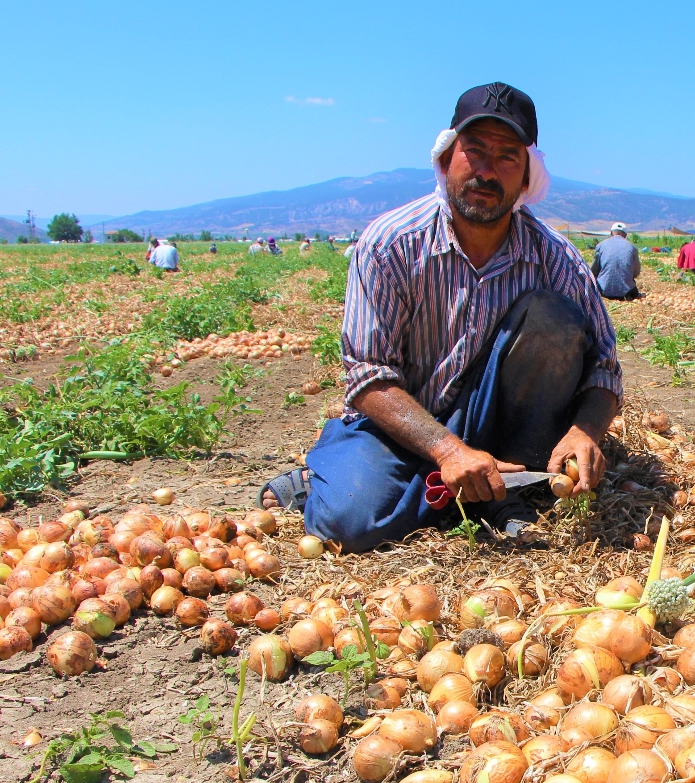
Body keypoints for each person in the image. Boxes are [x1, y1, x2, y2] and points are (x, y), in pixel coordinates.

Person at [259, 82, 621, 552]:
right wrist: (448, 449)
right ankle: (341, 481)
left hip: (505, 429)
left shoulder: (555, 258)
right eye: (474, 151)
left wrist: (585, 431)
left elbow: (605, 369)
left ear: (527, 174)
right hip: (405, 427)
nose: (487, 172)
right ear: (448, 156)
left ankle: (496, 482)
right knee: (351, 520)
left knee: (553, 317)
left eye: (507, 157)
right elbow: (369, 376)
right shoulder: (391, 243)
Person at [592, 222, 640, 300]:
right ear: (625, 235)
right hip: (628, 292)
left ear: (611, 233)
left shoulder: (600, 246)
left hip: (603, 291)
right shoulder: (632, 247)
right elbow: (636, 273)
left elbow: (594, 271)